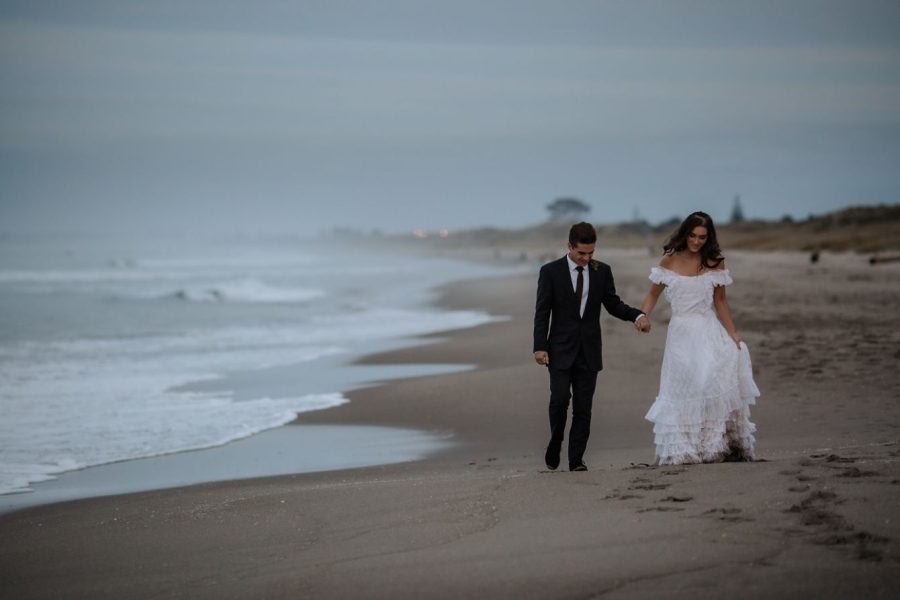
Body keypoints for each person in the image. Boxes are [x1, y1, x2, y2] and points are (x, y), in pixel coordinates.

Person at [639, 211, 760, 465]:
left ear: (709, 238)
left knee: (709, 381)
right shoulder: (669, 260)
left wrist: (733, 333)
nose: (696, 242)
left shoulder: (715, 262)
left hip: (708, 329)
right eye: (693, 236)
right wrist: (642, 316)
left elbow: (721, 302)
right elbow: (652, 295)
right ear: (685, 233)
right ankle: (685, 447)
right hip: (681, 334)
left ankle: (713, 445)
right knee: (685, 387)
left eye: (702, 237)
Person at [533, 222, 650, 471]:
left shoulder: (602, 271)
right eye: (581, 253)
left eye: (591, 253)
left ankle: (576, 459)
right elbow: (542, 312)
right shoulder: (550, 272)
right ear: (569, 246)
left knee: (583, 409)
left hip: (589, 350)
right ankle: (555, 441)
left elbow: (613, 304)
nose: (586, 258)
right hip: (559, 349)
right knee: (559, 400)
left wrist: (637, 316)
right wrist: (539, 346)